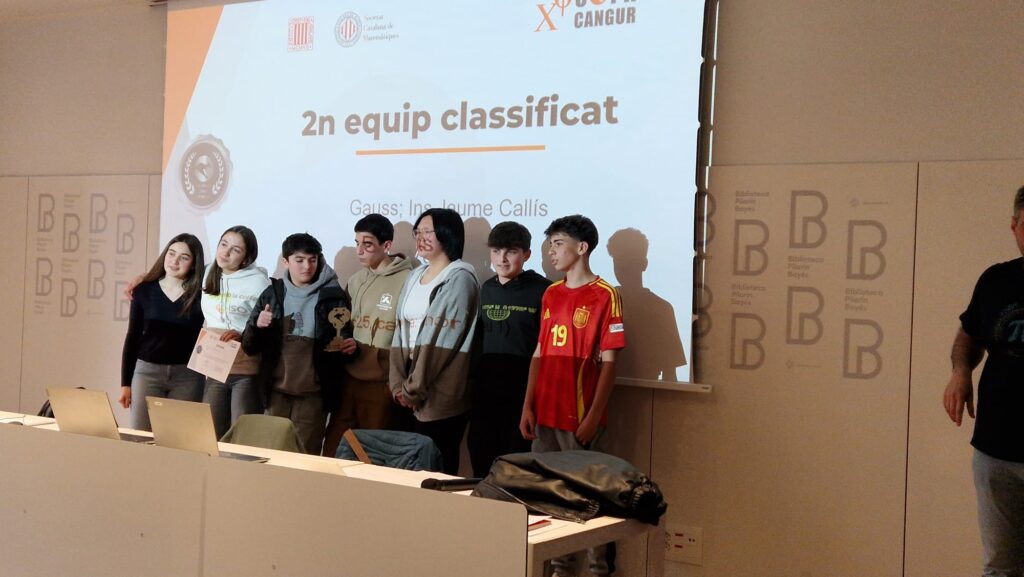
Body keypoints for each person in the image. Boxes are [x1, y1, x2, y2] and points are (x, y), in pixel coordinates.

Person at [519, 214, 625, 577]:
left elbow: (610, 363)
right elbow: (539, 352)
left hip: (578, 416)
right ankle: (558, 568)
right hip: (545, 412)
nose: (551, 251)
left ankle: (598, 569)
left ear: (581, 248)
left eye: (558, 244)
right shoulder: (550, 293)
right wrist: (527, 405)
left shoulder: (604, 294)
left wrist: (593, 416)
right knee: (547, 494)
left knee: (587, 494)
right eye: (549, 244)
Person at [943, 186, 1024, 577]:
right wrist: (961, 372)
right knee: (1000, 568)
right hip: (996, 453)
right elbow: (969, 334)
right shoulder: (996, 280)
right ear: (1014, 227)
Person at [242, 233, 355, 454]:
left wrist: (349, 348)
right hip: (275, 393)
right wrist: (258, 325)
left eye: (312, 260)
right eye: (300, 260)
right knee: (270, 454)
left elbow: (343, 344)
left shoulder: (333, 295)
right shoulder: (272, 294)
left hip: (314, 395)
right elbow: (249, 345)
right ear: (286, 261)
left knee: (304, 456)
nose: (307, 266)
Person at [390, 208, 478, 475]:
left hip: (439, 387)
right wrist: (398, 384)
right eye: (417, 232)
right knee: (406, 466)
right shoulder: (414, 275)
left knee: (436, 467)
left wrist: (414, 388)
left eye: (428, 231)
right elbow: (399, 330)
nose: (421, 237)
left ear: (447, 234)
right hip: (409, 381)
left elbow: (441, 342)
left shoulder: (460, 277)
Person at [322, 214, 415, 457]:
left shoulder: (409, 279)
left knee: (372, 453)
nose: (359, 251)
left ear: (386, 245)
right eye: (357, 243)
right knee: (334, 447)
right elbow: (344, 323)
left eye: (367, 244)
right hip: (350, 376)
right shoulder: (356, 280)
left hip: (383, 380)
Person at [468, 221, 550, 477]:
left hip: (521, 389)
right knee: (480, 455)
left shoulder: (544, 289)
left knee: (515, 463)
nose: (502, 259)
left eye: (511, 252)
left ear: (526, 254)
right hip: (486, 390)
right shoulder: (487, 288)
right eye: (496, 251)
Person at [119, 233, 206, 431]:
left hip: (188, 377)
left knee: (180, 440)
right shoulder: (144, 290)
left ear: (194, 264)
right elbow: (132, 337)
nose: (174, 261)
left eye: (184, 257)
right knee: (140, 438)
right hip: (147, 374)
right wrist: (125, 383)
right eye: (171, 253)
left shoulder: (202, 296)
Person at [200, 226, 271, 439]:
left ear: (246, 258)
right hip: (214, 365)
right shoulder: (208, 273)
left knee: (241, 434)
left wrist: (242, 333)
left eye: (235, 250)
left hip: (244, 368)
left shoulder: (258, 281)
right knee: (211, 432)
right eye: (223, 244)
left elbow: (266, 326)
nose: (226, 252)